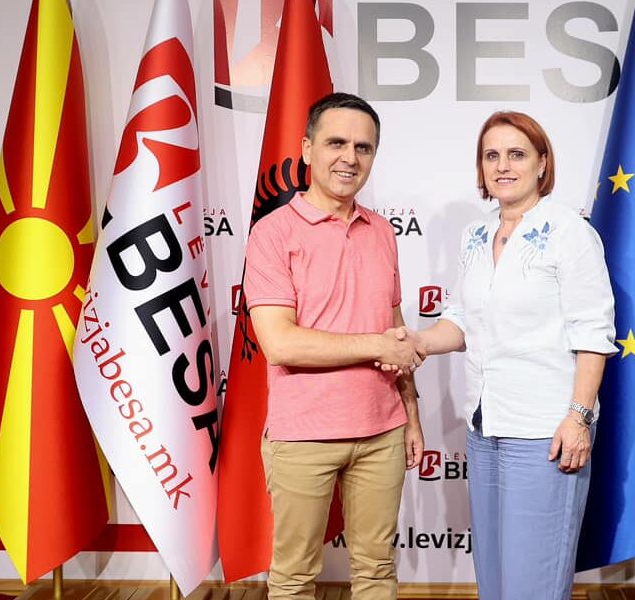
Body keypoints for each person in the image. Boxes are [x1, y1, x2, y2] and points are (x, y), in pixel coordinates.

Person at [385, 111, 616, 599]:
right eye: (492, 155)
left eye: (516, 154)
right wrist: (418, 343)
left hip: (545, 432)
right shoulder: (476, 233)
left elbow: (594, 334)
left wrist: (578, 417)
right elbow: (463, 321)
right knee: (494, 581)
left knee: (533, 586)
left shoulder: (570, 232)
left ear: (542, 163)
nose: (503, 166)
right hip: (484, 428)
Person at [243, 92, 425, 600]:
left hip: (383, 430)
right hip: (304, 435)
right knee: (294, 578)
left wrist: (410, 414)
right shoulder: (271, 233)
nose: (350, 157)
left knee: (377, 571)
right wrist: (377, 345)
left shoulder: (382, 230)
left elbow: (395, 327)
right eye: (336, 143)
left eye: (363, 147)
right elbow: (281, 344)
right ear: (307, 149)